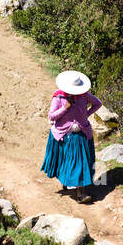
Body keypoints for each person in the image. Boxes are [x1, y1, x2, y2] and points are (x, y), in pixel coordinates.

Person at [40, 70, 102, 203]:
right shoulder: (59, 98)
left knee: (80, 163)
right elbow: (51, 116)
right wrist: (65, 108)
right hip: (63, 134)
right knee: (64, 161)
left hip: (81, 134)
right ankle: (67, 182)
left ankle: (80, 194)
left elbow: (98, 104)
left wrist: (87, 114)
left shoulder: (85, 96)